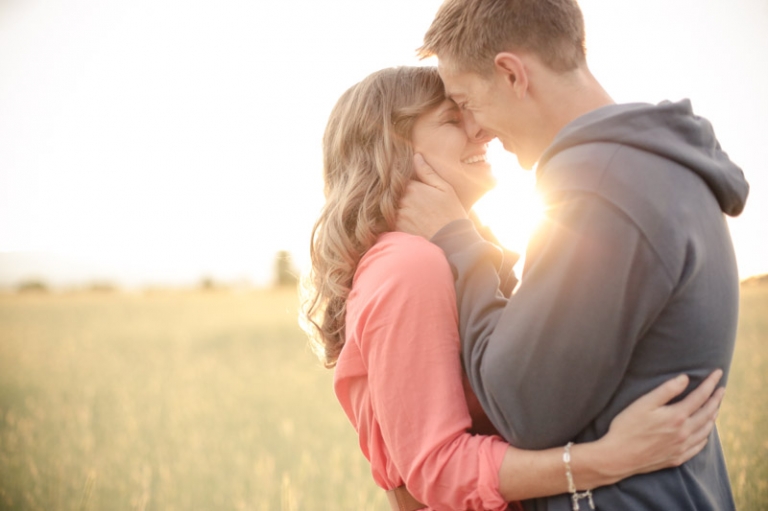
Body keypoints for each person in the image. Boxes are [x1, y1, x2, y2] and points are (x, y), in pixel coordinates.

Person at [302, 66, 725, 511]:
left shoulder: (431, 259)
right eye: (451, 120)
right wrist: (610, 458)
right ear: (394, 149)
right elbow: (438, 469)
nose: (479, 131)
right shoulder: (410, 265)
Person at [396, 1, 750, 510]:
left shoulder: (597, 186)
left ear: (512, 74)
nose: (476, 130)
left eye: (465, 102)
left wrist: (455, 239)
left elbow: (522, 408)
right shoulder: (655, 167)